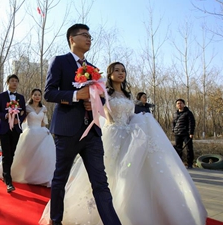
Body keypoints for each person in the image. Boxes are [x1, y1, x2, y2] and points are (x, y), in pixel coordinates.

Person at [40, 62, 207, 225]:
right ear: (110, 73)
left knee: (134, 174)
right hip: (112, 135)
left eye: (123, 71)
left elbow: (131, 115)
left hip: (132, 137)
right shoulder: (104, 91)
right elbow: (98, 111)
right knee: (110, 176)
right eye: (117, 70)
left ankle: (133, 210)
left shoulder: (128, 95)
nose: (121, 73)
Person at [41, 24, 121, 225]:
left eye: (90, 36)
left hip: (92, 133)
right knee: (60, 179)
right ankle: (55, 220)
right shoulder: (59, 62)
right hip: (67, 131)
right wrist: (77, 95)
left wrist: (94, 101)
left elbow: (102, 98)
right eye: (84, 35)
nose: (89, 39)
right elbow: (49, 93)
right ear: (71, 38)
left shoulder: (93, 69)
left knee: (101, 183)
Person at [0, 89, 55, 187]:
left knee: (42, 155)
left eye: (39, 95)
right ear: (31, 96)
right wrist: (14, 117)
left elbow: (43, 122)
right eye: (35, 94)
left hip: (41, 133)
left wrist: (45, 130)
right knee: (23, 155)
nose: (37, 96)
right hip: (30, 133)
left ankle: (41, 176)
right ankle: (11, 173)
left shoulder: (44, 108)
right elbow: (23, 119)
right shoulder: (27, 107)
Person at [0, 74, 26, 193]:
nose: (14, 83)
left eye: (16, 81)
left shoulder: (21, 98)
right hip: (4, 128)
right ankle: (8, 180)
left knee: (12, 153)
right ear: (8, 82)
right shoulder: (1, 96)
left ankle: (5, 173)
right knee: (6, 154)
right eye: (12, 81)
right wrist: (6, 115)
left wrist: (19, 120)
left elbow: (24, 113)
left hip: (16, 129)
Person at [173, 98, 196, 168]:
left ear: (184, 104)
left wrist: (191, 133)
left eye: (180, 103)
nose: (179, 105)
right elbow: (173, 123)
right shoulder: (175, 113)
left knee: (189, 148)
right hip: (177, 133)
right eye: (177, 103)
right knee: (178, 149)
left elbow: (191, 123)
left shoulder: (188, 113)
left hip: (186, 133)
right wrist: (173, 130)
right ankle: (179, 163)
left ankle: (190, 163)